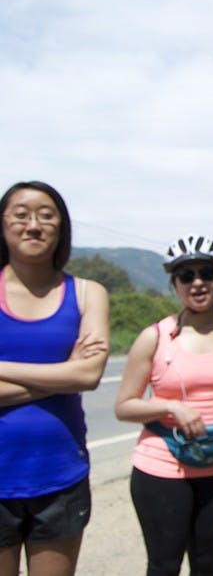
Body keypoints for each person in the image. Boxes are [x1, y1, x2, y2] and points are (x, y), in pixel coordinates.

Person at [114, 234, 213, 576]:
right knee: (164, 564)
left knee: (206, 561)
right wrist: (171, 407)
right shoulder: (155, 337)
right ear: (175, 285)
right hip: (161, 466)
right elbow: (124, 406)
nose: (197, 282)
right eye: (186, 276)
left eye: (206, 274)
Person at [0, 181, 110, 576]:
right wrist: (64, 374)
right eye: (21, 215)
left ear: (61, 228)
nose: (33, 225)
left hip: (61, 476)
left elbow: (90, 373)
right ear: (2, 225)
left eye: (46, 216)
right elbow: (76, 375)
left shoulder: (87, 293)